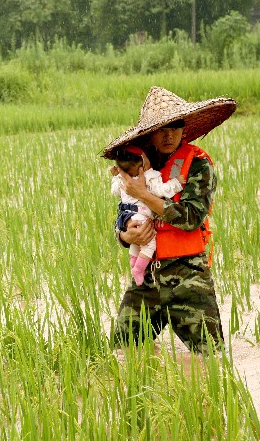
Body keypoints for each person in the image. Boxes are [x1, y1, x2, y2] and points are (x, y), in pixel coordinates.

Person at [102, 86, 237, 355]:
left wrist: (144, 194)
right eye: (161, 128)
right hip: (148, 279)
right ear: (150, 133)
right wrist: (125, 235)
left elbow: (191, 217)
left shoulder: (197, 164)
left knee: (211, 360)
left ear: (184, 128)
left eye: (175, 126)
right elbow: (126, 212)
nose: (168, 134)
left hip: (188, 276)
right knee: (122, 352)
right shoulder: (138, 163)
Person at [110, 145, 185, 286]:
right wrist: (176, 183)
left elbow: (115, 191)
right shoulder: (150, 176)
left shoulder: (123, 178)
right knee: (148, 245)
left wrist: (116, 177)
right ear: (143, 163)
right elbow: (161, 190)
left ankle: (134, 267)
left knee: (136, 242)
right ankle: (138, 269)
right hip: (142, 216)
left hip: (127, 217)